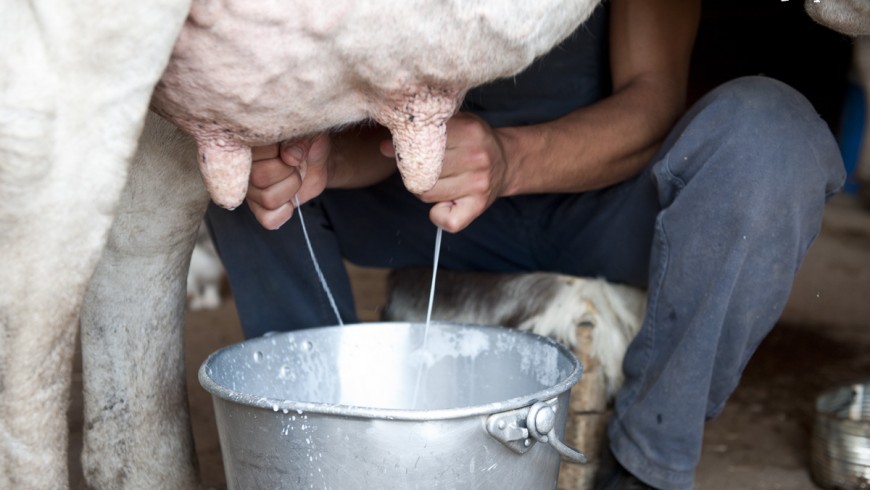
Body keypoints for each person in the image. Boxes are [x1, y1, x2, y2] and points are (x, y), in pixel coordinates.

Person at [205, 0, 845, 488]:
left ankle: (646, 461)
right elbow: (387, 123)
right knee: (229, 149)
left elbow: (652, 102)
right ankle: (321, 437)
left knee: (771, 135)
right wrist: (315, 162)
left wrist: (508, 160)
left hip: (601, 206)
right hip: (433, 210)